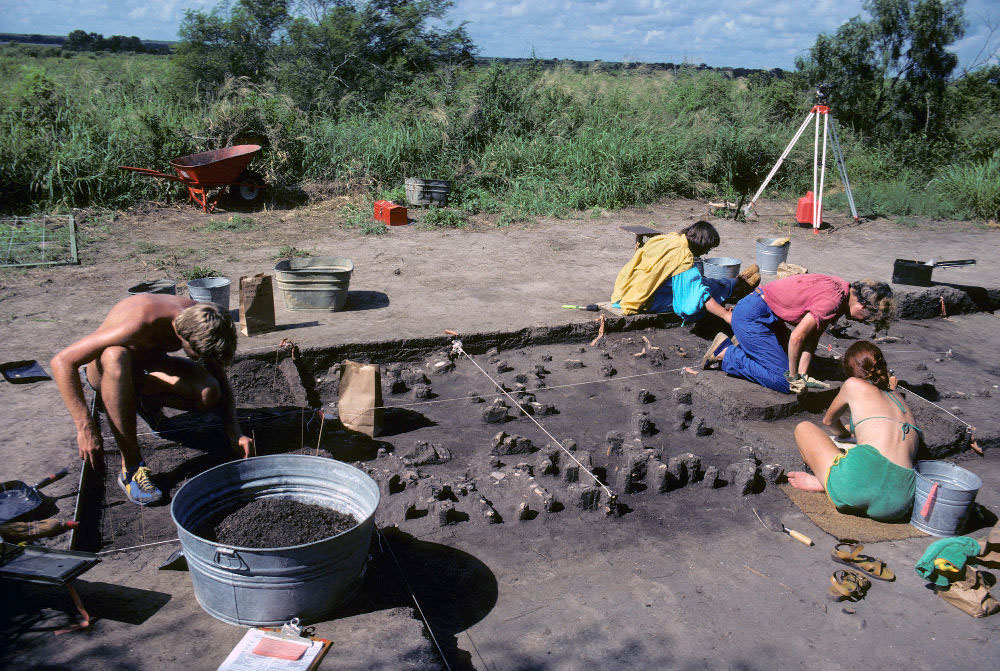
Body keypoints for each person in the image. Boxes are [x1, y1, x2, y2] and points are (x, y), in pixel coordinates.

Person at [51, 295, 253, 505]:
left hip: (147, 367)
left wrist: (235, 432)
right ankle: (131, 466)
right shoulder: (139, 323)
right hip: (107, 374)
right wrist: (85, 427)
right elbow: (62, 361)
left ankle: (145, 403)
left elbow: (219, 376)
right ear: (181, 334)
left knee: (208, 392)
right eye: (198, 354)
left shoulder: (203, 318)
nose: (200, 359)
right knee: (115, 355)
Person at [786, 341, 918, 521]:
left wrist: (845, 435)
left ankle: (823, 482)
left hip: (853, 484)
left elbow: (829, 421)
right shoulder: (899, 399)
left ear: (851, 372)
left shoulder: (853, 384)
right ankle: (837, 484)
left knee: (803, 428)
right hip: (898, 503)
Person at [700, 274, 893, 394]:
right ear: (862, 305)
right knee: (783, 381)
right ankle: (726, 353)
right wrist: (793, 378)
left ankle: (748, 344)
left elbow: (811, 339)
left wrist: (803, 375)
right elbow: (797, 337)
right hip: (751, 317)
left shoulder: (841, 289)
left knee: (796, 366)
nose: (862, 321)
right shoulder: (832, 302)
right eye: (866, 318)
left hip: (766, 316)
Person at [611, 220, 759, 322]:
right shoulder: (683, 258)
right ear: (702, 246)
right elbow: (699, 295)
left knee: (699, 281)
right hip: (643, 301)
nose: (706, 253)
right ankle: (737, 286)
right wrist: (725, 315)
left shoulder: (668, 239)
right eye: (708, 249)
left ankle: (736, 282)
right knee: (703, 287)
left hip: (625, 293)